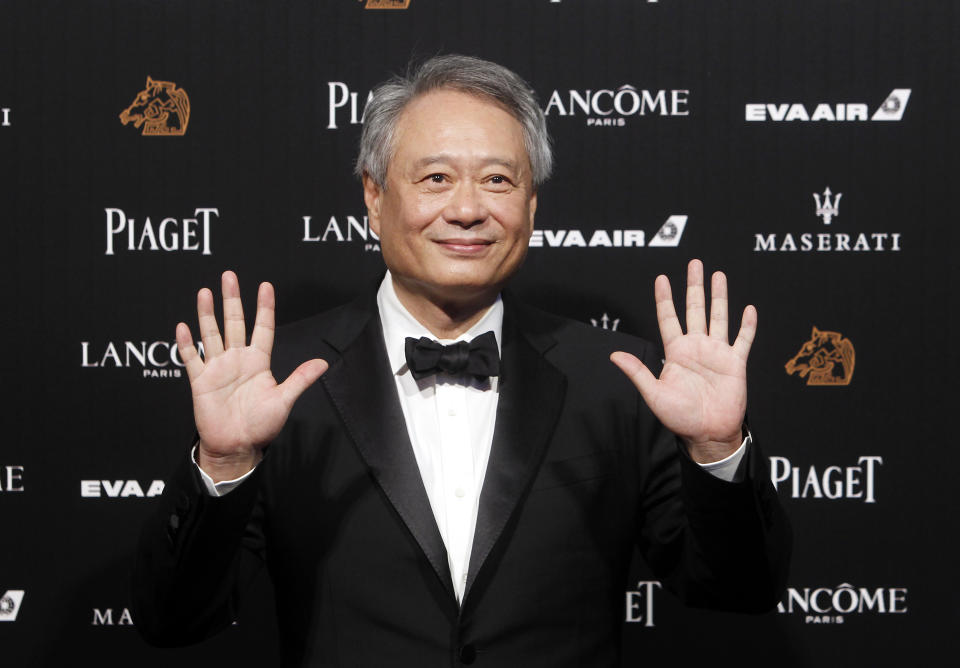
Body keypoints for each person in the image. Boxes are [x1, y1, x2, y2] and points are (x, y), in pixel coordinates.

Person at [134, 54, 790, 667]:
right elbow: (173, 619)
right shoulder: (277, 382)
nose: (469, 209)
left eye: (498, 180)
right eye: (436, 178)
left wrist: (716, 450)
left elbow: (737, 591)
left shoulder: (619, 380)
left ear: (531, 206)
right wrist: (224, 466)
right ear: (373, 196)